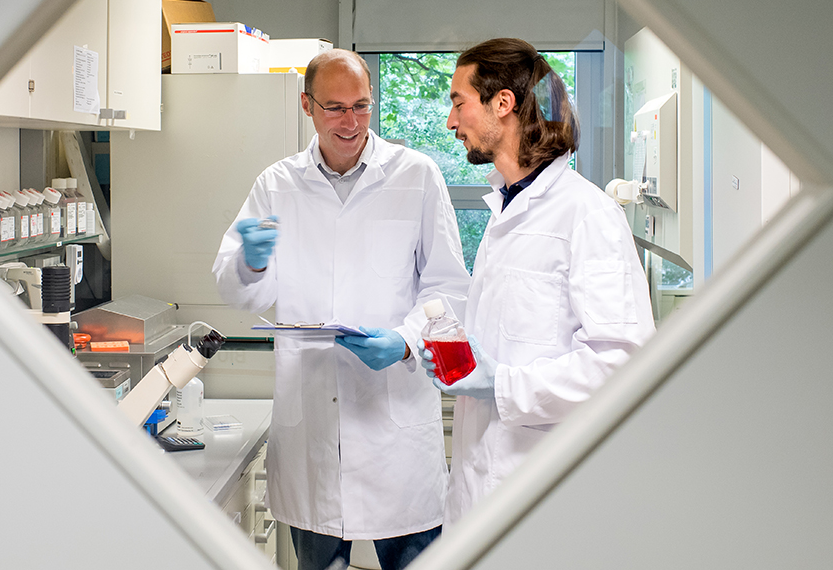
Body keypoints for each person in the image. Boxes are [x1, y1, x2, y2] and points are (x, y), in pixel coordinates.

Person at [213, 49, 470, 570]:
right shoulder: (276, 184)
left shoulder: (416, 176)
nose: (351, 123)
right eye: (335, 108)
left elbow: (450, 290)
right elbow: (240, 292)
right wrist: (253, 264)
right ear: (306, 105)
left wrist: (404, 340)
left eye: (362, 106)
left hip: (395, 434)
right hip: (312, 431)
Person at [420, 38, 656, 525]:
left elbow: (623, 367)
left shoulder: (587, 214)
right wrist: (459, 354)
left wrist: (501, 384)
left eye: (458, 103)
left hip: (542, 497)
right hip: (480, 489)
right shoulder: (507, 206)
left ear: (502, 103)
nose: (450, 122)